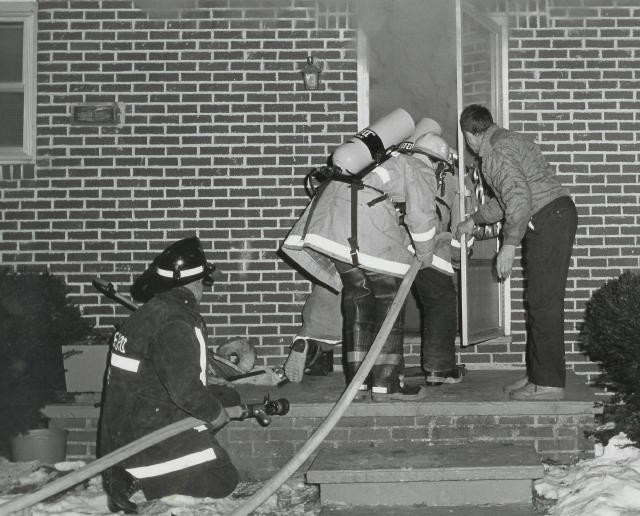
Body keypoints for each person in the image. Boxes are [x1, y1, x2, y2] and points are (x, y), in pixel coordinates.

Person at [281, 128, 440, 402]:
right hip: (363, 230)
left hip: (334, 226)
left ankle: (358, 384)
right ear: (437, 161)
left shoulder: (382, 160)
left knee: (358, 303)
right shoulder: (418, 168)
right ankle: (386, 384)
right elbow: (421, 217)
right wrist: (425, 254)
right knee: (389, 302)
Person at [98, 236, 241, 513]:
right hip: (147, 437)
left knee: (227, 395)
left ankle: (133, 472)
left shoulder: (149, 313)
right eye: (203, 282)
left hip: (124, 432)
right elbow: (186, 390)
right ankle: (141, 478)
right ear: (195, 283)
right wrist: (216, 414)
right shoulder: (175, 321)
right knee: (223, 479)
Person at [456, 104, 578, 401]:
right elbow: (506, 201)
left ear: (471, 135)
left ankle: (548, 384)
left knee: (544, 301)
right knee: (537, 300)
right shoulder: (507, 140)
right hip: (553, 215)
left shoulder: (495, 152)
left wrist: (509, 245)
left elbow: (519, 199)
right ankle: (538, 374)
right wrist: (474, 220)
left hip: (548, 218)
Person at [410, 133, 474, 386]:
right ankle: (439, 368)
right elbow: (462, 226)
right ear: (442, 160)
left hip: (388, 248)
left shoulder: (402, 169)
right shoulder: (452, 179)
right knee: (442, 303)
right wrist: (459, 258)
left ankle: (383, 375)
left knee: (384, 310)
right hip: (428, 248)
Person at [283, 282, 342, 382]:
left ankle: (308, 346)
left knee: (321, 337)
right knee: (356, 333)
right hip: (350, 296)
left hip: (325, 289)